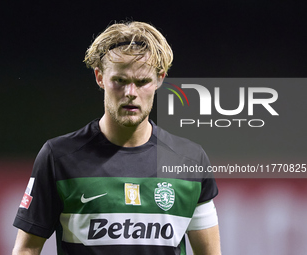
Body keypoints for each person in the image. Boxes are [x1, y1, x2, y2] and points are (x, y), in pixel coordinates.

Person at [12, 21, 221, 255]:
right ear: (100, 78)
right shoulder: (58, 156)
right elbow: (27, 249)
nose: (131, 93)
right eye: (120, 81)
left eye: (142, 82)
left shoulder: (190, 160)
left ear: (160, 79)